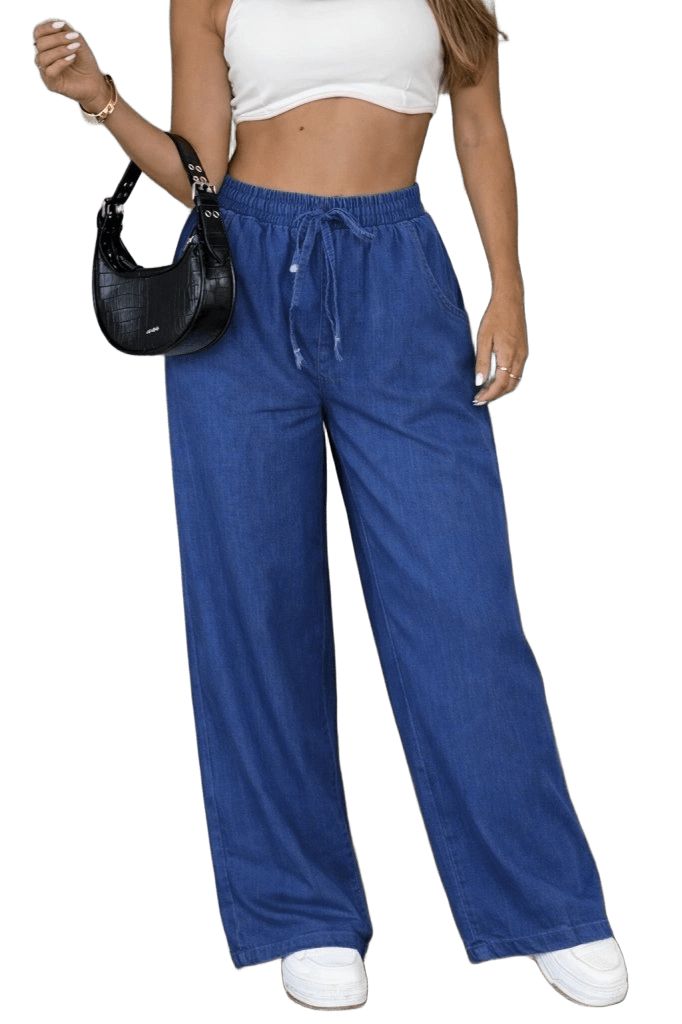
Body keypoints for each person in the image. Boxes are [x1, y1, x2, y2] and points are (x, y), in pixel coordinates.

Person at [34, 0, 628, 1010]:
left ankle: (545, 901)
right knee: (257, 607)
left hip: (399, 278)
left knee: (463, 608)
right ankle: (300, 908)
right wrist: (101, 101)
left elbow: (480, 128)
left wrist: (510, 287)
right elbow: (199, 171)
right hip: (240, 285)